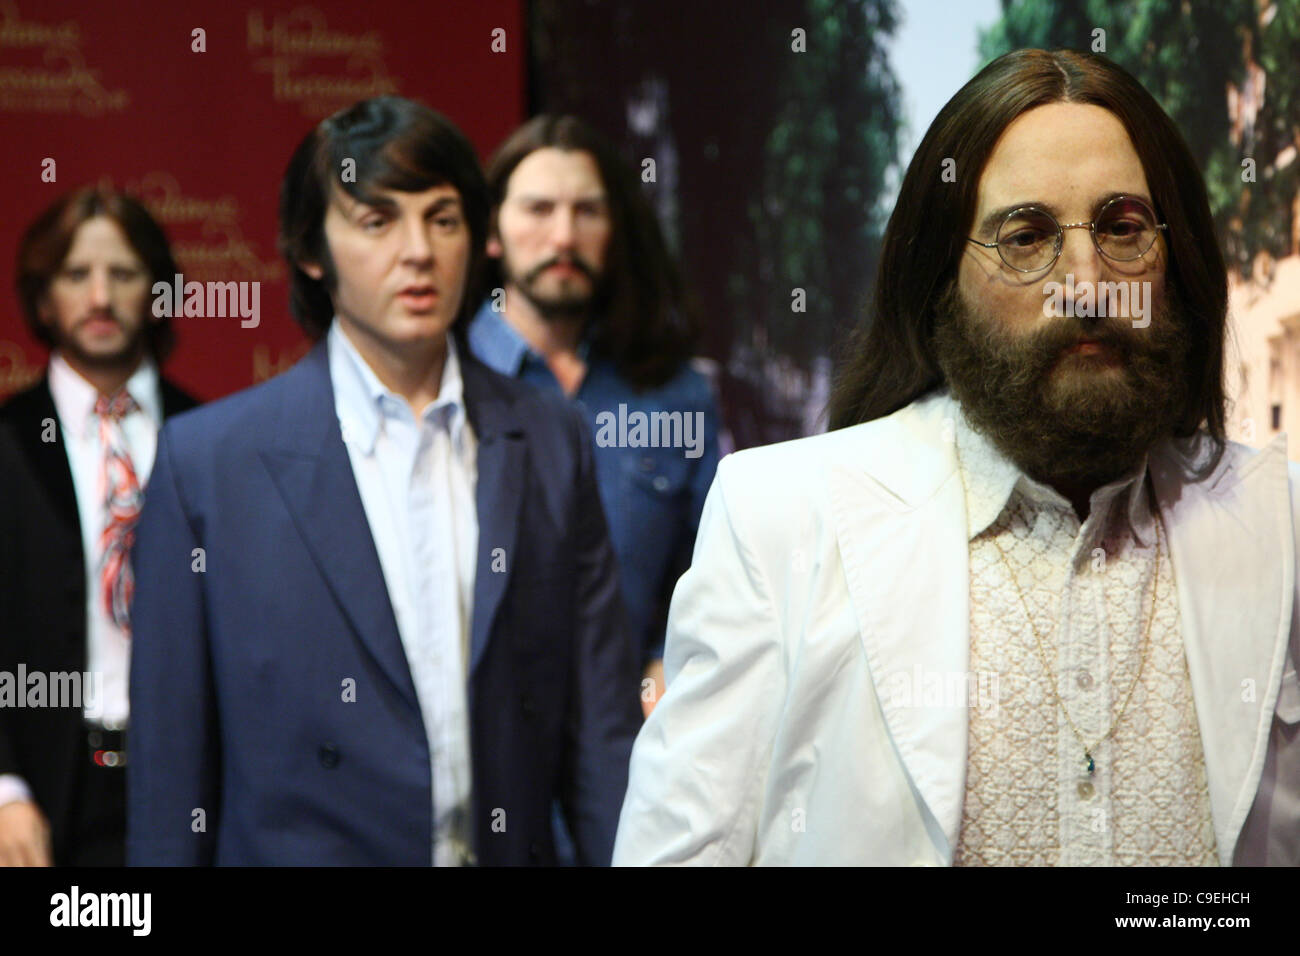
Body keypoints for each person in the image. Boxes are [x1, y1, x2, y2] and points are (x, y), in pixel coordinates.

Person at [613, 48, 1300, 866]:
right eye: (1026, 236)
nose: (1085, 283)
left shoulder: (1278, 523)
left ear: (1174, 259)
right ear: (943, 279)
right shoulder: (784, 517)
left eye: (1120, 228)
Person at [126, 96, 643, 866]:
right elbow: (172, 776)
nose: (418, 252)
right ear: (311, 251)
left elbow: (599, 730)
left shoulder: (548, 435)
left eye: (443, 219)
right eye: (377, 222)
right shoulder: (210, 464)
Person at [468, 115, 720, 713]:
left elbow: (713, 564)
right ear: (492, 231)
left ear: (615, 231)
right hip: (474, 747)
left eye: (587, 211)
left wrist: (669, 658)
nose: (563, 237)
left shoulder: (673, 392)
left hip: (629, 748)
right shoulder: (441, 379)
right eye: (538, 209)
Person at [0, 186, 198, 866]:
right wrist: (2, 790)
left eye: (122, 273)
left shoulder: (214, 438)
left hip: (189, 782)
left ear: (159, 291)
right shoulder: (7, 443)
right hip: (46, 790)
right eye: (76, 275)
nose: (101, 297)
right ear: (43, 296)